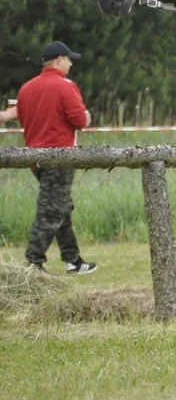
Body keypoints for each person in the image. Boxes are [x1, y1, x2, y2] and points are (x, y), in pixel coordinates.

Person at [15, 41, 97, 274]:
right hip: (61, 158)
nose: (71, 64)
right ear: (59, 60)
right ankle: (34, 262)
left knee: (61, 207)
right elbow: (78, 120)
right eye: (69, 59)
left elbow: (22, 118)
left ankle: (73, 259)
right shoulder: (65, 86)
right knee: (51, 211)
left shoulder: (26, 88)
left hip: (35, 160)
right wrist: (87, 118)